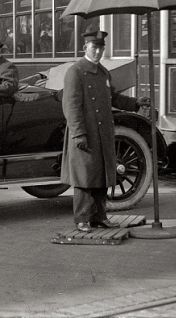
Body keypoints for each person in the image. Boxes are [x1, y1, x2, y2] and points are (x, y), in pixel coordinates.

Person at [60, 30, 151, 233]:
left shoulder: (102, 72)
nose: (98, 52)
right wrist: (78, 133)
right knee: (84, 178)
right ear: (85, 48)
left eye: (101, 48)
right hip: (85, 133)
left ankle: (99, 217)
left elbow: (114, 98)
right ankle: (82, 219)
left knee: (101, 175)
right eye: (94, 48)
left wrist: (135, 102)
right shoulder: (75, 72)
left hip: (102, 133)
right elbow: (71, 106)